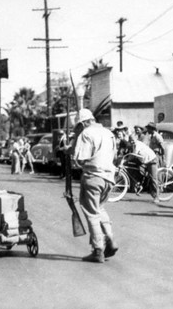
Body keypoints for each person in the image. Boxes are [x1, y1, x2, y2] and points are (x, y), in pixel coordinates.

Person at [72, 108, 118, 263]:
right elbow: (114, 156)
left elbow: (80, 159)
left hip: (93, 177)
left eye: (79, 126)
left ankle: (98, 249)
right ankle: (109, 237)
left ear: (84, 122)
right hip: (109, 178)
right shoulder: (108, 133)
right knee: (100, 209)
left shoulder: (86, 134)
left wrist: (70, 150)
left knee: (91, 213)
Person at [127, 135, 160, 203]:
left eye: (133, 139)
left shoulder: (138, 144)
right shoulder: (134, 145)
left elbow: (133, 154)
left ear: (136, 139)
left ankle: (157, 196)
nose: (131, 141)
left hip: (151, 160)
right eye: (130, 140)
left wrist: (125, 160)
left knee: (153, 178)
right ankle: (140, 185)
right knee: (136, 170)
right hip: (144, 160)